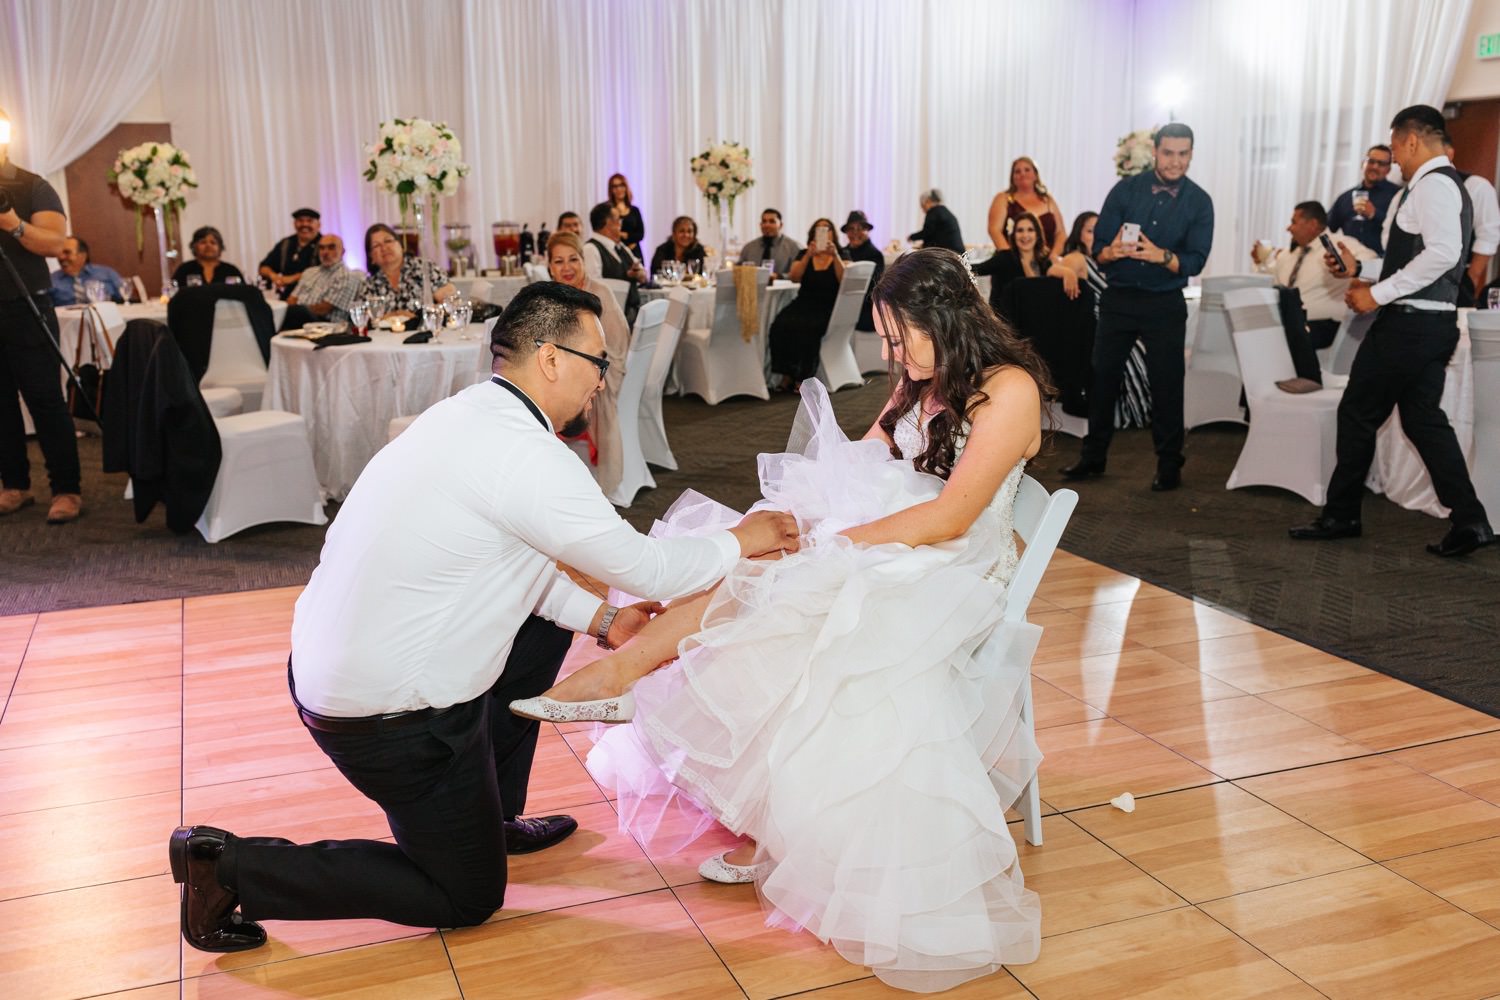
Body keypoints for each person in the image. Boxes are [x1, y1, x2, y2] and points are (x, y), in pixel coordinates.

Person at [167, 282, 801, 954]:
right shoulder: (529, 457)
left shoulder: (462, 416)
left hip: (333, 671)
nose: (601, 383)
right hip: (388, 718)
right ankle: (230, 868)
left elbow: (513, 566)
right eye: (597, 362)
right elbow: (651, 570)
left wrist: (602, 620)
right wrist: (747, 537)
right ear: (551, 359)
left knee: (541, 630)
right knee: (466, 896)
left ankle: (486, 815)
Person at [512, 248, 1049, 993]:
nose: (893, 354)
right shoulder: (930, 375)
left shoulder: (1008, 388)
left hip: (956, 568)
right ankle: (625, 673)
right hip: (908, 537)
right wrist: (802, 512)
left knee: (787, 601)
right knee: (751, 559)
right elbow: (868, 457)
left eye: (900, 338)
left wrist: (834, 540)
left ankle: (627, 677)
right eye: (888, 340)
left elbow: (954, 514)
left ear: (945, 318)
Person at [1291, 105, 1493, 558]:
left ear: (1412, 142)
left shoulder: (1432, 186)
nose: (1395, 160)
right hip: (1430, 324)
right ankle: (1471, 519)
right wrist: (1359, 268)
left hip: (1409, 326)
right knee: (1424, 421)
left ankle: (1341, 514)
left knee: (1358, 412)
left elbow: (1442, 255)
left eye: (1397, 149)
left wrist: (1377, 294)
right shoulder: (1443, 186)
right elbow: (1417, 258)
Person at [1062, 122, 1214, 492]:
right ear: (1155, 152)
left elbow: (1194, 262)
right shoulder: (1126, 190)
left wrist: (1161, 256)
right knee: (1102, 379)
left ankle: (1168, 463)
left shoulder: (1200, 201)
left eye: (1183, 154)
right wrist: (1110, 251)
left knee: (1166, 384)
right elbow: (1098, 247)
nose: (1175, 161)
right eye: (1168, 153)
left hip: (1165, 302)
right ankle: (1093, 456)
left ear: (1191, 154)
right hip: (1120, 299)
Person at [0, 113, 81, 524]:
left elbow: (57, 243)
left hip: (26, 307)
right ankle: (14, 485)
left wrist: (12, 222)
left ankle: (67, 489)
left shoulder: (31, 185)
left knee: (45, 400)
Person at [547, 231, 631, 495]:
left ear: (583, 261)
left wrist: (588, 372)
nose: (567, 267)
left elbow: (617, 346)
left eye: (573, 259)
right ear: (549, 267)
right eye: (559, 261)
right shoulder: (550, 297)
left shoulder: (599, 293)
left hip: (601, 374)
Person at [1057, 210, 1152, 429]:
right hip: (1096, 327)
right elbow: (1054, 268)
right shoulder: (1078, 257)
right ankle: (1130, 413)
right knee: (1134, 351)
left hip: (1119, 322)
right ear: (1080, 235)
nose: (1096, 235)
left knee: (1147, 347)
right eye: (1090, 231)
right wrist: (1067, 273)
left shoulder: (1107, 262)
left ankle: (1140, 409)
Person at [1251, 201, 1373, 348]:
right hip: (1291, 325)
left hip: (1324, 325)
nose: (1289, 228)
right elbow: (1272, 282)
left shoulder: (1339, 245)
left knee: (1283, 340)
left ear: (1313, 224)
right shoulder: (1289, 255)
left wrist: (1357, 275)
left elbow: (1372, 261)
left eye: (1294, 222)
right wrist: (1261, 263)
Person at [768, 217, 849, 392]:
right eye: (818, 229)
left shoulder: (842, 254)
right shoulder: (804, 253)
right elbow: (794, 276)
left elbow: (844, 280)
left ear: (832, 233)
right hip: (803, 301)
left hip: (827, 305)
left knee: (808, 329)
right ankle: (786, 373)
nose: (822, 232)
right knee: (780, 325)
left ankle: (803, 377)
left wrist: (834, 256)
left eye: (826, 229)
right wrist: (808, 256)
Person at [973, 212, 1079, 314]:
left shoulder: (1043, 260)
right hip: (1007, 324)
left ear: (1037, 235)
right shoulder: (1005, 257)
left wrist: (1068, 272)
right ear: (1014, 235)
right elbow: (975, 269)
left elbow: (1051, 270)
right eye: (1020, 230)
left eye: (1030, 230)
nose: (1025, 235)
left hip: (1035, 320)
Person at [1441, 135, 1500, 308]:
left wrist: (1472, 277)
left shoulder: (1475, 186)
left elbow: (1489, 235)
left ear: (1449, 153)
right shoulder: (1408, 191)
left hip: (1458, 277)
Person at [361, 223, 454, 324]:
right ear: (371, 257)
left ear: (401, 245)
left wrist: (419, 316)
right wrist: (388, 318)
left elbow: (451, 303)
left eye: (388, 241)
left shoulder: (424, 268)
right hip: (385, 338)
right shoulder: (369, 285)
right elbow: (364, 320)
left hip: (424, 334)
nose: (384, 248)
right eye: (376, 245)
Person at [988, 157, 1066, 258]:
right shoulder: (1003, 198)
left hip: (1048, 261)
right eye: (1017, 171)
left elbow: (1061, 233)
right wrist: (1011, 258)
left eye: (1027, 170)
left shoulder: (1048, 200)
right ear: (1012, 177)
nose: (1022, 174)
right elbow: (994, 230)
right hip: (1014, 262)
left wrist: (1053, 256)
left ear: (1035, 175)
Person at [1327, 145, 1399, 254]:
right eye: (1371, 161)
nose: (1375, 166)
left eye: (1381, 164)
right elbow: (1327, 229)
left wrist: (1374, 214)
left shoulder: (1397, 195)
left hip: (1380, 264)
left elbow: (1402, 230)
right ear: (1362, 164)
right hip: (1348, 262)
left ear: (1388, 170)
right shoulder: (1345, 197)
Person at [584, 201, 645, 326]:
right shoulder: (591, 249)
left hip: (632, 314)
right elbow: (594, 288)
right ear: (608, 223)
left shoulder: (621, 247)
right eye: (619, 220)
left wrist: (638, 274)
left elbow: (644, 274)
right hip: (611, 319)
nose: (621, 224)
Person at [284, 234, 362, 324]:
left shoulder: (347, 276)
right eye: (321, 248)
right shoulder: (309, 272)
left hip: (326, 325)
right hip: (298, 319)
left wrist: (298, 308)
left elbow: (323, 309)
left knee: (297, 311)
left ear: (342, 252)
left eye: (331, 248)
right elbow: (291, 300)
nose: (325, 252)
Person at [257, 208, 321, 300]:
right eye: (300, 221)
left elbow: (324, 272)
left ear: (318, 225)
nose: (305, 224)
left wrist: (293, 278)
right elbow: (263, 267)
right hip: (286, 297)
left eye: (309, 221)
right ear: (294, 224)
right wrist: (274, 276)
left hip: (313, 298)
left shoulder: (325, 244)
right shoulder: (286, 244)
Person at [49, 236, 126, 305]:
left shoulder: (107, 273)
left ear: (83, 256)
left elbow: (124, 297)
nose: (61, 257)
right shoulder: (52, 279)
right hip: (66, 320)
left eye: (67, 252)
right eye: (59, 253)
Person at [841, 210, 884, 331]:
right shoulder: (842, 252)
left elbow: (872, 287)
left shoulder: (874, 254)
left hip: (863, 306)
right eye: (851, 229)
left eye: (860, 229)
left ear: (867, 231)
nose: (855, 233)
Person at [738, 208, 802, 276]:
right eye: (764, 221)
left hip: (783, 286)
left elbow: (799, 275)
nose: (767, 225)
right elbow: (738, 271)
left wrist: (779, 276)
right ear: (760, 224)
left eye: (772, 221)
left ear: (781, 225)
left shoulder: (794, 248)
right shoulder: (749, 248)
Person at [172, 227, 244, 287]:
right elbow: (174, 294)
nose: (208, 246)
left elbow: (244, 294)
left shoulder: (231, 270)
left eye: (213, 243)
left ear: (220, 247)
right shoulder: (184, 269)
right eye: (203, 242)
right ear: (194, 246)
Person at [907, 188, 965, 253]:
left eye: (923, 206)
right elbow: (935, 236)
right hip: (959, 255)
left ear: (928, 201)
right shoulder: (945, 212)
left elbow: (926, 232)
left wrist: (911, 237)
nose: (923, 210)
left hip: (950, 256)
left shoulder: (933, 212)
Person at [606, 173, 644, 260]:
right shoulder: (607, 210)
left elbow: (641, 234)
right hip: (615, 253)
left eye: (621, 185)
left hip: (634, 252)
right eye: (615, 187)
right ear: (611, 190)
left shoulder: (634, 210)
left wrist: (625, 235)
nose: (619, 189)